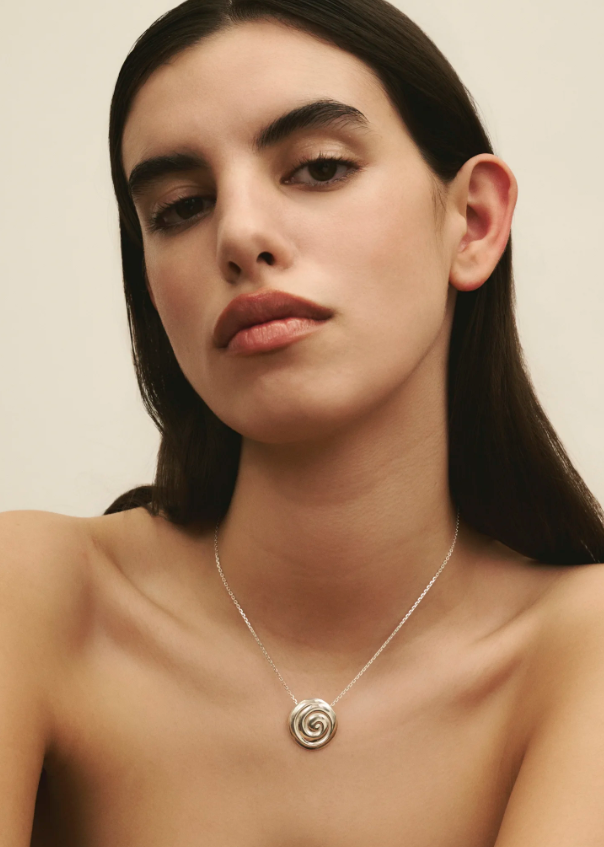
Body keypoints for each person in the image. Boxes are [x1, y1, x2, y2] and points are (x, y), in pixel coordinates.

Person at [3, 0, 604, 843]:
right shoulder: (32, 593)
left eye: (319, 168)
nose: (240, 234)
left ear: (472, 221)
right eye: (180, 207)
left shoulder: (584, 647)